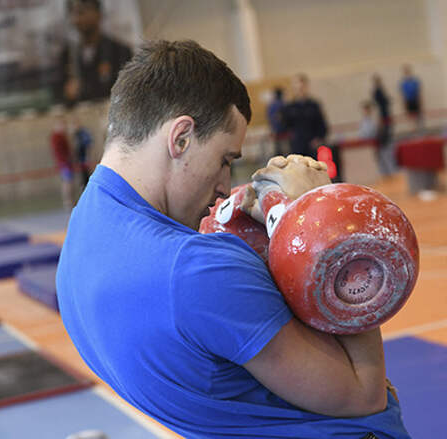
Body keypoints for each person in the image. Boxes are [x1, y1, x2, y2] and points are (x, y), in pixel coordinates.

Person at [56, 40, 410, 439]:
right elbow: (364, 396)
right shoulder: (197, 270)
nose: (224, 186)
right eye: (225, 159)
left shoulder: (77, 242)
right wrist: (318, 220)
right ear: (181, 138)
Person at [57, 0, 133, 104]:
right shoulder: (67, 56)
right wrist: (67, 94)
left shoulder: (120, 51)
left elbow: (128, 93)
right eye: (74, 13)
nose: (78, 18)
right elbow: (59, 96)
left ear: (98, 14)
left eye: (82, 11)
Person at [281, 73, 328, 158]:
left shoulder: (313, 105)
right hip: (296, 146)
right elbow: (284, 125)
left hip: (312, 145)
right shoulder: (289, 106)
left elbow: (322, 124)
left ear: (306, 87)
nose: (299, 90)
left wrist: (319, 138)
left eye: (302, 87)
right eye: (297, 88)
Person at [50, 118, 74, 210]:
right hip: (64, 164)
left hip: (66, 163)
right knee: (67, 182)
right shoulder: (56, 137)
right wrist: (65, 161)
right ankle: (67, 202)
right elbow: (60, 152)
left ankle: (69, 201)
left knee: (68, 182)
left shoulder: (62, 136)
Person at [266, 87, 288, 156]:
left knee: (277, 154)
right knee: (285, 153)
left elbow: (270, 119)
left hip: (275, 133)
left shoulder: (271, 106)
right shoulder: (284, 105)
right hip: (283, 133)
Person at [70, 120, 93, 187]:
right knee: (81, 177)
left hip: (84, 159)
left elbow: (88, 145)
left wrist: (88, 157)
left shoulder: (84, 133)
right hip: (78, 160)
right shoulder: (74, 134)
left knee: (86, 176)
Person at [399, 65, 423, 129]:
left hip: (415, 100)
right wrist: (404, 105)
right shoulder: (403, 83)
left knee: (418, 117)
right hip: (409, 101)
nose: (407, 73)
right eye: (406, 71)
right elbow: (403, 95)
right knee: (411, 117)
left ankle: (419, 128)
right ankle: (413, 129)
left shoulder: (415, 81)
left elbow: (419, 92)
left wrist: (420, 102)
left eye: (408, 71)